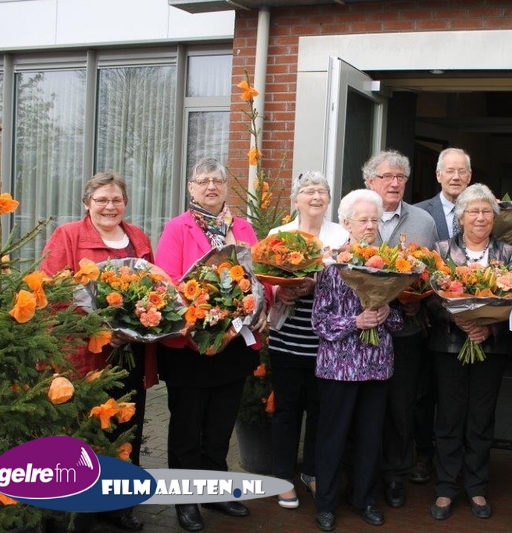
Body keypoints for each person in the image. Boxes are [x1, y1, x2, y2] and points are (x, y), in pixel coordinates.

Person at [154, 158, 267, 532]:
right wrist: (206, 308)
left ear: (225, 186)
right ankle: (185, 499)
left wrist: (260, 302)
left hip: (233, 345)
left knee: (220, 426)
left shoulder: (243, 228)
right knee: (187, 427)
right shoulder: (178, 228)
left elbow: (259, 277)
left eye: (217, 180)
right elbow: (168, 282)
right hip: (191, 346)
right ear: (191, 188)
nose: (211, 187)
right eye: (203, 181)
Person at [41, 171, 154, 532]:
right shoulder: (68, 236)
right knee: (84, 428)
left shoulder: (138, 238)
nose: (109, 206)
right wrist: (101, 329)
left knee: (125, 426)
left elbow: (154, 290)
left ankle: (119, 505)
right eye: (101, 199)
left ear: (125, 203)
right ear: (87, 203)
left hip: (129, 354)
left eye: (116, 200)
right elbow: (53, 294)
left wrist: (140, 323)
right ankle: (78, 509)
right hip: (84, 352)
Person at [426, 183, 512, 521]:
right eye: (473, 211)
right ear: (461, 216)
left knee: (481, 417)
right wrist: (458, 320)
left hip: (490, 348)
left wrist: (488, 328)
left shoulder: (508, 253)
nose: (480, 217)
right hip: (449, 346)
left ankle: (476, 486)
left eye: (486, 212)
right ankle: (446, 487)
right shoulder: (441, 250)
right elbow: (430, 299)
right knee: (449, 417)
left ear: (494, 218)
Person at [312, 189, 404, 532]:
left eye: (374, 220)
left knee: (370, 437)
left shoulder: (391, 264)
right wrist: (356, 321)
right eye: (362, 220)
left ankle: (365, 499)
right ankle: (326, 505)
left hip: (377, 366)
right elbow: (320, 322)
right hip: (340, 367)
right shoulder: (332, 265)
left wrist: (386, 314)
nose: (369, 225)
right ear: (346, 223)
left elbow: (400, 322)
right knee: (333, 437)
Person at [267, 171, 349, 509]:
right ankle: (282, 477)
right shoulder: (279, 235)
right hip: (287, 335)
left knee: (320, 410)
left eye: (322, 192)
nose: (316, 197)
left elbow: (348, 281)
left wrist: (318, 283)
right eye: (309, 191)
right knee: (287, 409)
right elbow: (265, 279)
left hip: (326, 342)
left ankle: (313, 472)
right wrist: (279, 290)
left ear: (329, 200)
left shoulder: (341, 236)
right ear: (296, 199)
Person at [363, 149, 439, 508]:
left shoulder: (423, 221)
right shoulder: (355, 214)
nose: (394, 183)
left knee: (401, 405)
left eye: (400, 177)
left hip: (405, 331)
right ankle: (363, 474)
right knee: (365, 405)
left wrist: (419, 300)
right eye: (386, 176)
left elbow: (434, 273)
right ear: (370, 181)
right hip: (362, 332)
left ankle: (395, 475)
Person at [410, 148, 472, 484]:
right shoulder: (420, 214)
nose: (456, 176)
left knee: (460, 397)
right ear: (438, 175)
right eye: (450, 170)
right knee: (425, 392)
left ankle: (458, 456)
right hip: (427, 318)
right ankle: (423, 453)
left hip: (469, 322)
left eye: (462, 171)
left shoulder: (481, 209)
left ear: (470, 176)